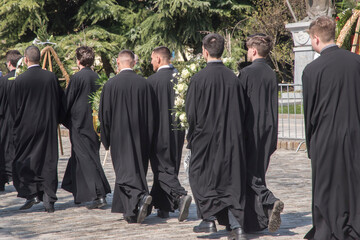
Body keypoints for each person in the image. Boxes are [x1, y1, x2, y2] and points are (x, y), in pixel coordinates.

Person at [302, 16, 360, 239]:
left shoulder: (312, 70)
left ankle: (326, 228)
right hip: (355, 132)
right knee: (353, 182)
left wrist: (311, 144)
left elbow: (309, 113)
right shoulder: (356, 63)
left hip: (325, 136)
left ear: (316, 38)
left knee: (325, 186)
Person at [185, 33, 247, 240]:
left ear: (204, 51)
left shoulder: (198, 79)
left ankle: (209, 219)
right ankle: (236, 224)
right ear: (222, 50)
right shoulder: (234, 79)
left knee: (199, 175)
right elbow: (243, 110)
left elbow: (191, 113)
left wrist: (192, 136)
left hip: (206, 137)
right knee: (230, 179)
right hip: (231, 137)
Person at [99, 50, 158, 223]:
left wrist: (106, 138)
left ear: (118, 62)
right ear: (134, 62)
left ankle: (137, 200)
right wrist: (150, 136)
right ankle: (133, 208)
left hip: (119, 137)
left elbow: (105, 116)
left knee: (124, 172)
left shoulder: (110, 85)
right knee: (138, 169)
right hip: (141, 136)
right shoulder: (144, 84)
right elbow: (152, 114)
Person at [9, 45, 65, 213]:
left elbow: (14, 107)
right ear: (39, 58)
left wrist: (17, 124)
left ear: (25, 60)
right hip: (47, 125)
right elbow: (60, 100)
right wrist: (59, 118)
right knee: (48, 160)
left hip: (26, 126)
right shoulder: (50, 77)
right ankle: (49, 198)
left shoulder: (20, 80)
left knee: (27, 159)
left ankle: (32, 193)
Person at [238, 34, 284, 233]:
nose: (247, 53)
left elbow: (240, 106)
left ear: (254, 50)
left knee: (249, 175)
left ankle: (269, 200)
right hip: (269, 130)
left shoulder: (247, 73)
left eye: (248, 49)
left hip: (251, 130)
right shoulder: (270, 73)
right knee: (258, 173)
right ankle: (257, 220)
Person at [61, 46, 111, 209]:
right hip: (94, 124)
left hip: (79, 124)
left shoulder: (77, 78)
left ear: (78, 60)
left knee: (87, 159)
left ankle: (100, 193)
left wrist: (62, 116)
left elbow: (68, 101)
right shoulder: (96, 76)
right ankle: (76, 190)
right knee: (80, 156)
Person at [148, 46, 192, 221]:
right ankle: (163, 207)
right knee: (170, 165)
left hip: (158, 132)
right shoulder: (182, 78)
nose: (151, 62)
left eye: (152, 59)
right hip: (177, 131)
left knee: (161, 168)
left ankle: (180, 196)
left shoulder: (151, 81)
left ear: (159, 59)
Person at [0, 50, 22, 191]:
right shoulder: (22, 79)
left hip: (4, 119)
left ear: (9, 63)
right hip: (19, 119)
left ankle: (2, 180)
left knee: (3, 150)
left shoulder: (3, 81)